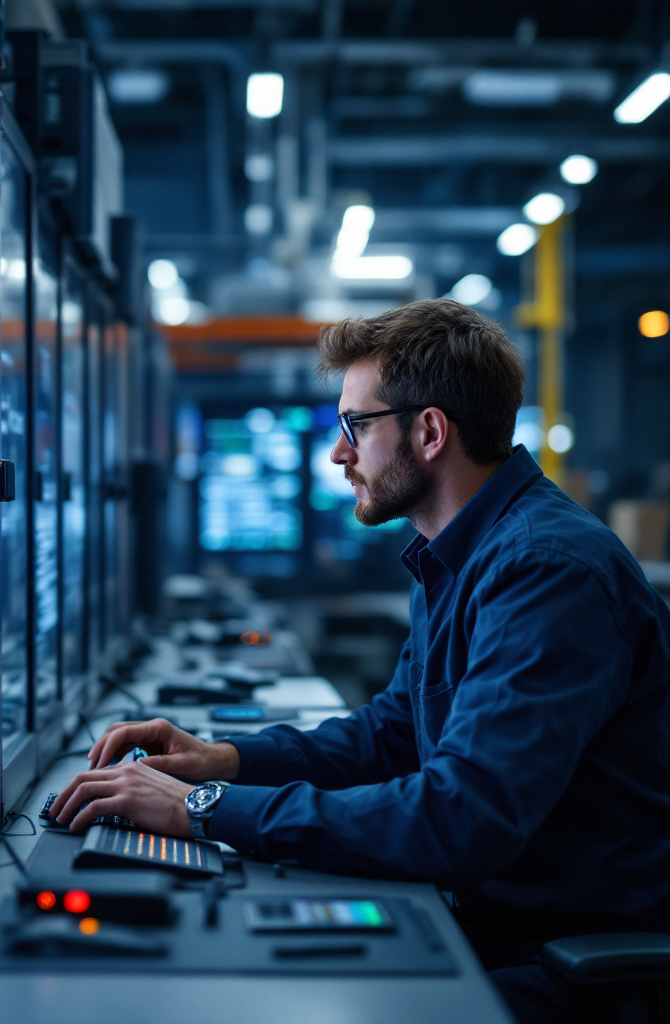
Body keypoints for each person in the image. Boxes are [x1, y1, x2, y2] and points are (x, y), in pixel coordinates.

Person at [50, 299, 670, 1024]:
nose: (339, 454)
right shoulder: (464, 553)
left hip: (560, 962)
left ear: (430, 432)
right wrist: (218, 762)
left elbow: (461, 818)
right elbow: (392, 735)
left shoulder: (544, 569)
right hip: (493, 924)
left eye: (356, 426)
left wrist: (202, 811)